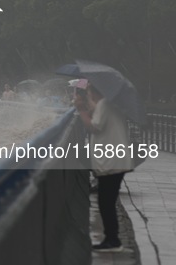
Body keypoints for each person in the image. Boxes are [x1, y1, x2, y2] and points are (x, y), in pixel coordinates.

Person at [73, 82, 133, 253]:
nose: (88, 94)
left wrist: (81, 110)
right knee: (106, 200)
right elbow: (98, 119)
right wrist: (87, 108)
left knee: (105, 201)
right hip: (114, 161)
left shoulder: (104, 104)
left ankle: (112, 240)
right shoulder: (107, 105)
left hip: (111, 162)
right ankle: (111, 238)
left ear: (93, 92)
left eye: (89, 91)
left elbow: (93, 126)